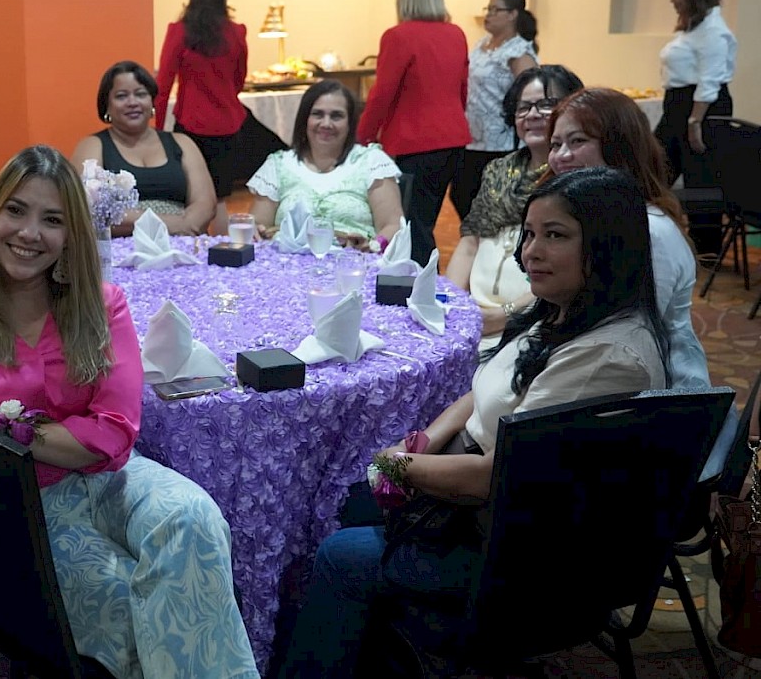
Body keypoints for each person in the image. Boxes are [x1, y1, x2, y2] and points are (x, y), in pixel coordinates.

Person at [280, 166, 669, 678]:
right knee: (352, 496)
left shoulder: (606, 357)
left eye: (555, 236)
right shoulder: (566, 311)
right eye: (529, 234)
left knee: (339, 551)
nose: (531, 252)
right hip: (495, 509)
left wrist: (397, 465)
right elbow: (487, 389)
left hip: (527, 557)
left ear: (608, 246)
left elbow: (496, 476)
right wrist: (425, 441)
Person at [0, 145, 259, 679]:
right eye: (16, 210)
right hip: (14, 506)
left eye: (52, 219)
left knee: (194, 520)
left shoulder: (101, 304)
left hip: (108, 477)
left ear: (71, 234)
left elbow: (113, 434)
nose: (30, 232)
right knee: (140, 604)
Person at [543, 87, 710, 389]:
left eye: (578, 141)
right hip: (592, 365)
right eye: (556, 144)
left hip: (652, 388)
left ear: (619, 146)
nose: (562, 156)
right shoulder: (592, 217)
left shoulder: (649, 231)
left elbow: (623, 336)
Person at [445, 65, 583, 348]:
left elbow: (572, 273)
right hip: (477, 314)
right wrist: (452, 303)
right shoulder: (497, 171)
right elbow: (470, 242)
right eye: (523, 107)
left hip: (538, 320)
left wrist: (504, 315)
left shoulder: (573, 178)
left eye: (546, 105)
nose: (532, 115)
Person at [154, 0, 286, 235]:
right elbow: (239, 79)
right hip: (228, 125)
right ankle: (224, 249)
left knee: (192, 196)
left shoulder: (179, 32)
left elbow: (163, 85)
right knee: (221, 198)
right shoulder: (236, 32)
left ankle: (193, 247)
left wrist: (157, 130)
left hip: (191, 124)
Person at [357, 0, 470, 265]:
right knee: (424, 219)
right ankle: (424, 276)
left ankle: (420, 281)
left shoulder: (398, 36)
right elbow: (462, 88)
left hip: (413, 141)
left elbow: (382, 93)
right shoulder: (456, 34)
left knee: (411, 224)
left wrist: (362, 136)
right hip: (453, 139)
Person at [247, 79, 403, 250]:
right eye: (318, 114)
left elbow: (393, 225)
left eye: (336, 116)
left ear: (350, 123)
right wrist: (254, 228)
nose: (326, 124)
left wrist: (374, 246)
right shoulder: (278, 165)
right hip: (285, 263)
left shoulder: (372, 162)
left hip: (354, 262)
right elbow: (259, 226)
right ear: (304, 119)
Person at [70, 60, 215, 236]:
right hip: (122, 244)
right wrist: (167, 225)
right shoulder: (92, 146)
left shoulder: (182, 142)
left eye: (140, 94)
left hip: (182, 239)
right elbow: (90, 207)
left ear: (152, 102)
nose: (132, 102)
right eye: (121, 96)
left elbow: (205, 203)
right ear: (107, 105)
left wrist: (187, 227)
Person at [655, 0, 736, 256]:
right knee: (654, 166)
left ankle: (706, 250)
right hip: (678, 105)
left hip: (701, 108)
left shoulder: (714, 31)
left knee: (700, 176)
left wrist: (694, 122)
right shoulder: (694, 28)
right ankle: (652, 231)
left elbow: (710, 80)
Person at [450, 0, 539, 220]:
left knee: (493, 201)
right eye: (487, 9)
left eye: (495, 9)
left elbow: (530, 93)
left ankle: (488, 239)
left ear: (512, 14)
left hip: (500, 140)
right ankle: (475, 238)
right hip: (472, 137)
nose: (488, 15)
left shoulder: (518, 50)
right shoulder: (482, 45)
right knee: (461, 194)